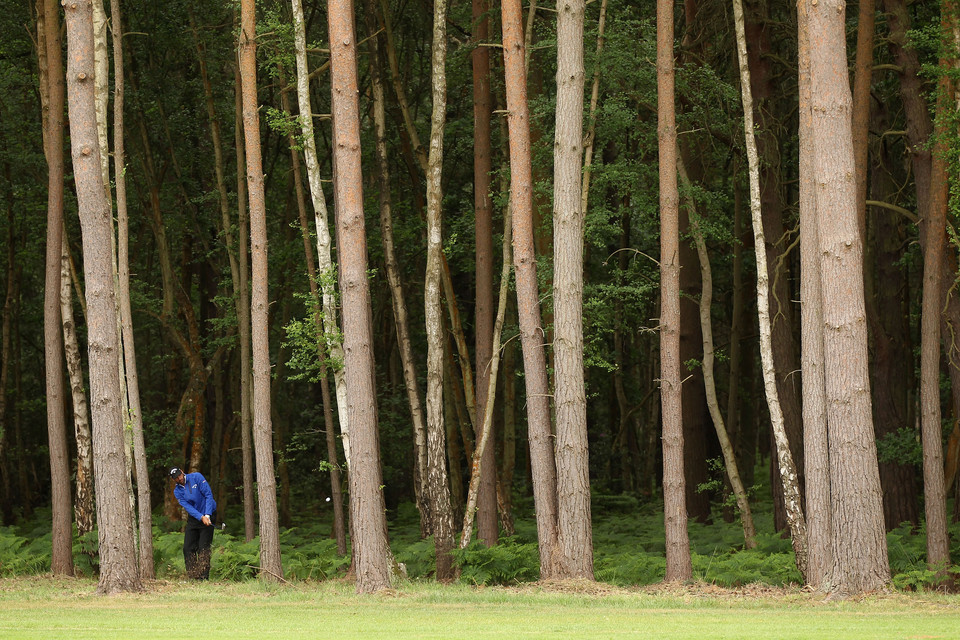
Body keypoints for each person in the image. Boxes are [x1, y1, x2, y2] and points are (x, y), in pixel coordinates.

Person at [169, 466, 217, 580]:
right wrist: (201, 517)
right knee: (188, 548)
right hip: (195, 518)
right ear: (173, 479)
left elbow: (208, 495)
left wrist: (207, 515)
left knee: (203, 547)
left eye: (179, 475)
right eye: (176, 478)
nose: (179, 478)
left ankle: (203, 578)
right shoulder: (177, 491)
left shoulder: (196, 477)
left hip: (209, 512)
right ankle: (194, 576)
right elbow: (188, 507)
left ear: (182, 471)